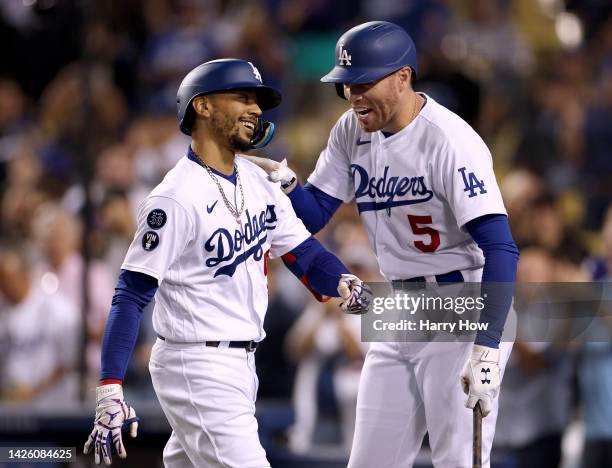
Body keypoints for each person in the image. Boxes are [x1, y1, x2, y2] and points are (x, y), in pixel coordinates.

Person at [246, 21, 519, 468]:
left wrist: (487, 346)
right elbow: (314, 215)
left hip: (461, 303)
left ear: (403, 78)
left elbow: (501, 248)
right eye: (347, 85)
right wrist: (287, 183)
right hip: (399, 305)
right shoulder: (350, 131)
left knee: (457, 460)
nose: (353, 94)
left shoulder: (450, 140)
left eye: (364, 82)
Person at [83, 58, 371, 467]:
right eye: (242, 97)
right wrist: (110, 387)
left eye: (257, 100)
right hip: (197, 363)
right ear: (202, 106)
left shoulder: (257, 180)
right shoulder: (174, 198)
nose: (255, 108)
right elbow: (130, 295)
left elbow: (303, 253)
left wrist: (345, 281)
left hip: (239, 361)